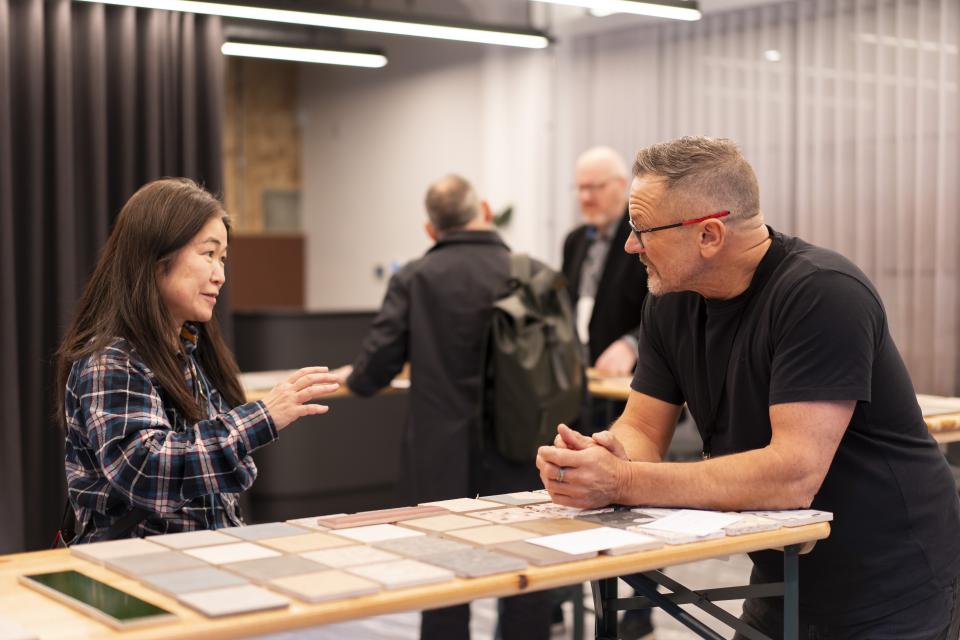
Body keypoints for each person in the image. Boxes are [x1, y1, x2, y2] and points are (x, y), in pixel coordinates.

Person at [537, 136, 960, 639]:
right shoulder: (671, 300)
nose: (631, 245)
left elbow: (792, 475)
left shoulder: (823, 294)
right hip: (784, 568)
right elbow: (644, 427)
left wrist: (623, 481)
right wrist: (604, 455)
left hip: (891, 579)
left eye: (641, 229)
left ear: (710, 235)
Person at [57, 178, 339, 543]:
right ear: (157, 257)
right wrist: (262, 416)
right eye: (208, 255)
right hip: (140, 573)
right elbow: (145, 469)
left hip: (198, 559)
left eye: (223, 259)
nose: (220, 275)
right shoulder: (111, 361)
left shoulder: (187, 352)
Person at [335, 174, 552, 640]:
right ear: (486, 210)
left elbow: (375, 370)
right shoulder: (532, 271)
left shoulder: (415, 277)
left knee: (445, 585)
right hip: (523, 453)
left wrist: (351, 378)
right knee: (528, 579)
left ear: (431, 230)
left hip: (439, 459)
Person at [562, 147, 652, 638]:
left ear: (622, 186)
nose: (586, 197)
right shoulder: (575, 241)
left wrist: (630, 343)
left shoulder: (641, 240)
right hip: (582, 386)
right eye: (579, 188)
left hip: (632, 393)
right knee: (584, 495)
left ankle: (635, 614)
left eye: (595, 187)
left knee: (628, 501)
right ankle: (588, 605)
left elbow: (661, 304)